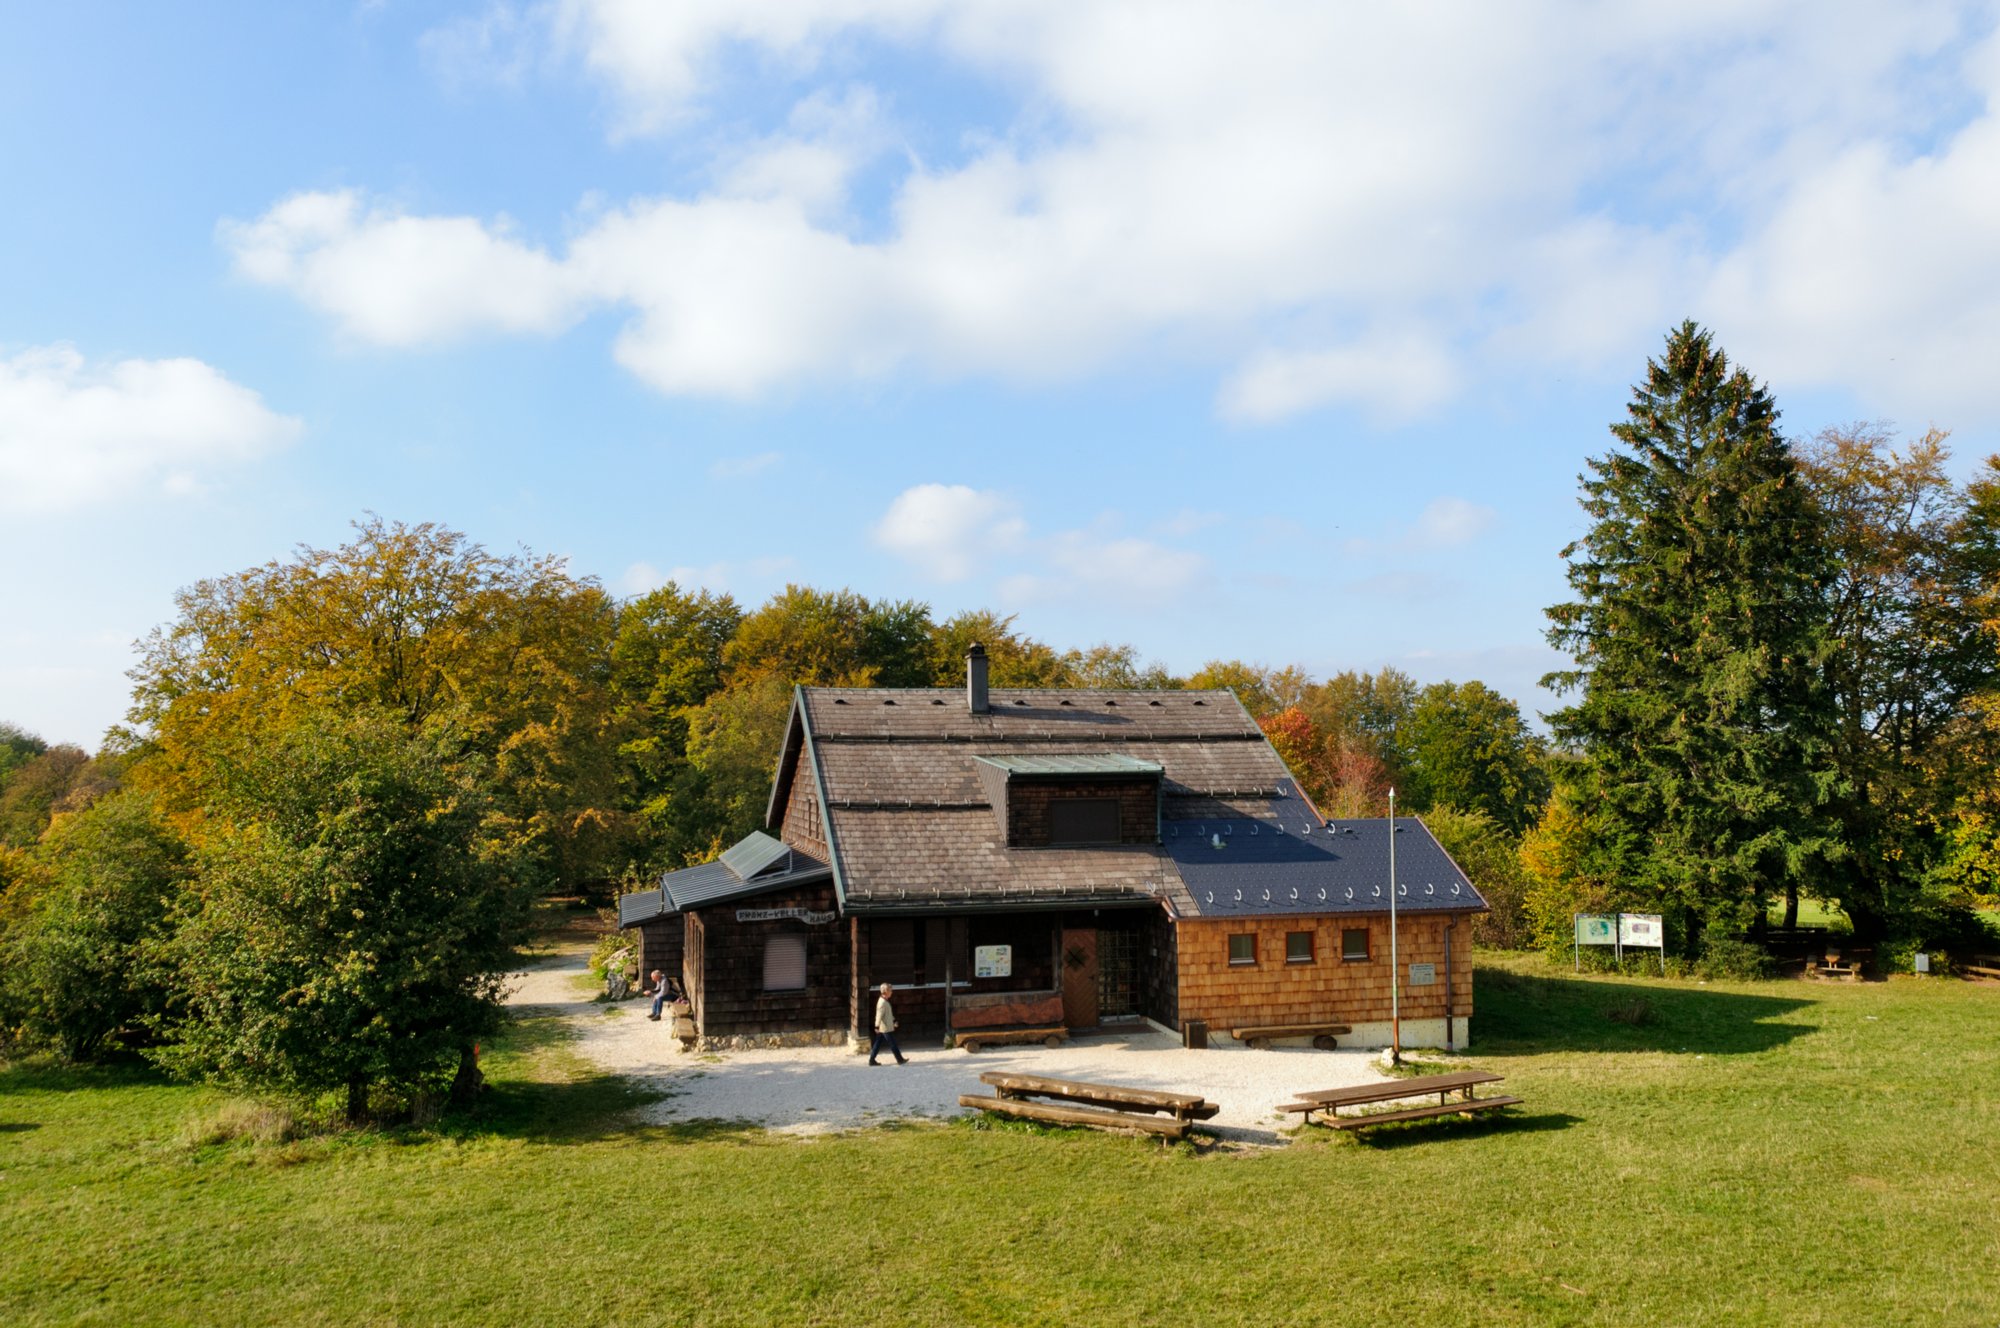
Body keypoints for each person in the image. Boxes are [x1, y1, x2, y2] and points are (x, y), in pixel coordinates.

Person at [869, 981, 908, 1065]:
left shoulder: (885, 1001)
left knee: (878, 1043)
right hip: (885, 1028)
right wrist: (876, 1026)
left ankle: (872, 1060)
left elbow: (888, 1015)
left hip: (885, 1027)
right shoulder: (882, 1003)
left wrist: (894, 1020)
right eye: (890, 990)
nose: (891, 992)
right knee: (893, 1044)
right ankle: (899, 1059)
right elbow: (878, 1016)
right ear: (886, 991)